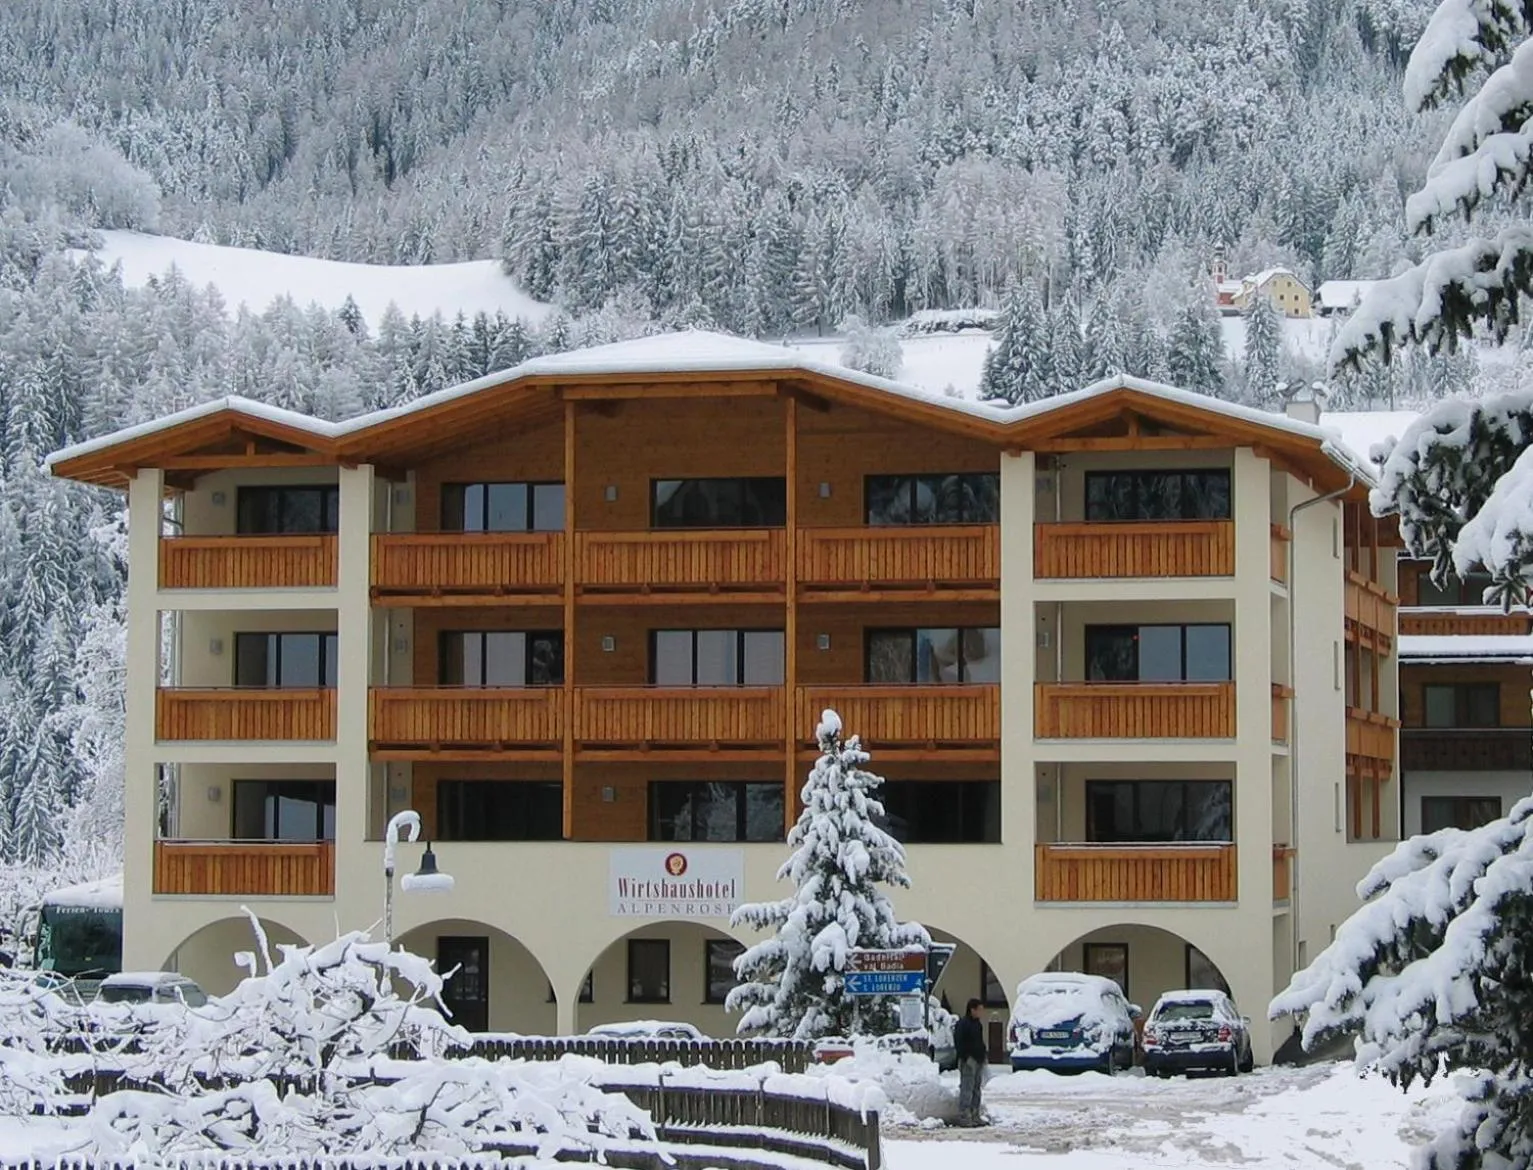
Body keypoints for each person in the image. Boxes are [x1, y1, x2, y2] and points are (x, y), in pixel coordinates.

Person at [954, 997, 988, 1126]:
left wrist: (983, 1055)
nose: (981, 1012)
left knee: (976, 1088)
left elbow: (979, 1041)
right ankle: (964, 1116)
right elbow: (959, 1042)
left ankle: (975, 1114)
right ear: (972, 1010)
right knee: (967, 1088)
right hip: (968, 1060)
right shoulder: (963, 1024)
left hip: (978, 1058)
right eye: (979, 1010)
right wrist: (965, 1057)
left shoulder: (977, 1024)